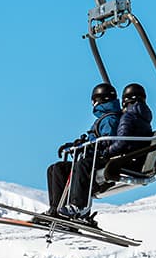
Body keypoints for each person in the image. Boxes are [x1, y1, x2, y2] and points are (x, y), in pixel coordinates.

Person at [44, 83, 123, 224]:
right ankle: (56, 208)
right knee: (56, 168)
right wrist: (78, 145)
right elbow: (94, 138)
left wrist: (90, 147)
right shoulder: (104, 118)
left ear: (99, 100)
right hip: (95, 155)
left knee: (82, 165)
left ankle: (79, 206)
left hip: (105, 158)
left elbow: (108, 141)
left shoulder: (111, 119)